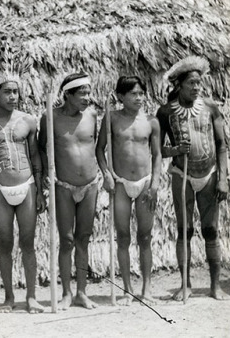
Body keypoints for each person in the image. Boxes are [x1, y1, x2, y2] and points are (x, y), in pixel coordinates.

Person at [156, 56, 229, 301]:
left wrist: (223, 179)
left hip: (209, 175)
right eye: (191, 83)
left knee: (210, 230)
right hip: (182, 174)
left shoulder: (210, 107)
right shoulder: (166, 112)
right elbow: (157, 150)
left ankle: (214, 286)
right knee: (183, 230)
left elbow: (221, 146)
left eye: (199, 83)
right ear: (179, 85)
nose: (197, 87)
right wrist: (176, 151)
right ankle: (185, 284)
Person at [0, 81, 45, 314]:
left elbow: (35, 157)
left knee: (28, 243)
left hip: (28, 187)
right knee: (5, 244)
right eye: (7, 92)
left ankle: (31, 296)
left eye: (16, 92)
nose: (13, 96)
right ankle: (9, 297)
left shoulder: (28, 121)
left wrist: (41, 190)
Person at [96, 76, 162, 305]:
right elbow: (99, 150)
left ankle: (147, 288)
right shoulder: (112, 118)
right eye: (133, 94)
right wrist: (106, 175)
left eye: (141, 93)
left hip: (145, 183)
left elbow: (157, 155)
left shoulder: (151, 121)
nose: (139, 98)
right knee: (123, 237)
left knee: (145, 236)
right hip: (121, 184)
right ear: (121, 96)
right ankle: (127, 289)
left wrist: (155, 183)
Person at [39, 73, 99, 310]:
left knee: (83, 239)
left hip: (90, 184)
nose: (87, 98)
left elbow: (98, 146)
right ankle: (66, 292)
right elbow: (42, 147)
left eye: (88, 93)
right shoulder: (50, 118)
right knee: (66, 240)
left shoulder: (92, 115)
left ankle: (82, 292)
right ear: (68, 95)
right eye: (82, 94)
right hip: (63, 185)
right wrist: (45, 173)